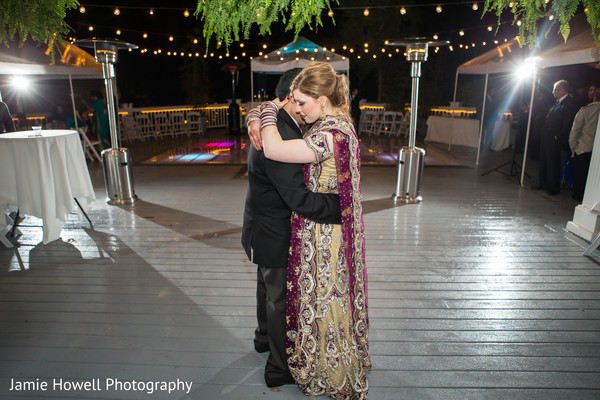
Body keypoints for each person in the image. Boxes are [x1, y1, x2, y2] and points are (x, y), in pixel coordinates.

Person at [257, 61, 370, 400]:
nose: (299, 109)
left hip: (325, 233)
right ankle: (325, 359)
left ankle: (332, 369)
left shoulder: (327, 135)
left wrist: (263, 111)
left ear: (322, 99)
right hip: (327, 227)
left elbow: (274, 149)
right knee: (325, 297)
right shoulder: (342, 125)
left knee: (327, 297)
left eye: (303, 102)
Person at [242, 68, 343, 388]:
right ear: (288, 98)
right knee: (280, 299)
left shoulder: (275, 124)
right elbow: (298, 198)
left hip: (259, 224)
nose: (303, 109)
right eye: (299, 101)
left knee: (266, 289)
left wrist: (255, 113)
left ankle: (262, 339)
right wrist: (343, 208)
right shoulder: (281, 134)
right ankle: (278, 366)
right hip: (273, 229)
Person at [534, 80, 578, 195]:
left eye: (555, 89)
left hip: (555, 138)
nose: (553, 92)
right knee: (544, 160)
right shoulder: (556, 102)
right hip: (546, 136)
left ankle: (553, 187)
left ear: (563, 90)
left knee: (553, 162)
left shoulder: (569, 103)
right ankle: (543, 182)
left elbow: (568, 123)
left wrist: (557, 136)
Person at [569, 87, 600, 201]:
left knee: (580, 176)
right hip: (596, 150)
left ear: (594, 97)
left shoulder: (585, 110)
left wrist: (573, 147)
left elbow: (575, 130)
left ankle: (579, 196)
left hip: (583, 147)